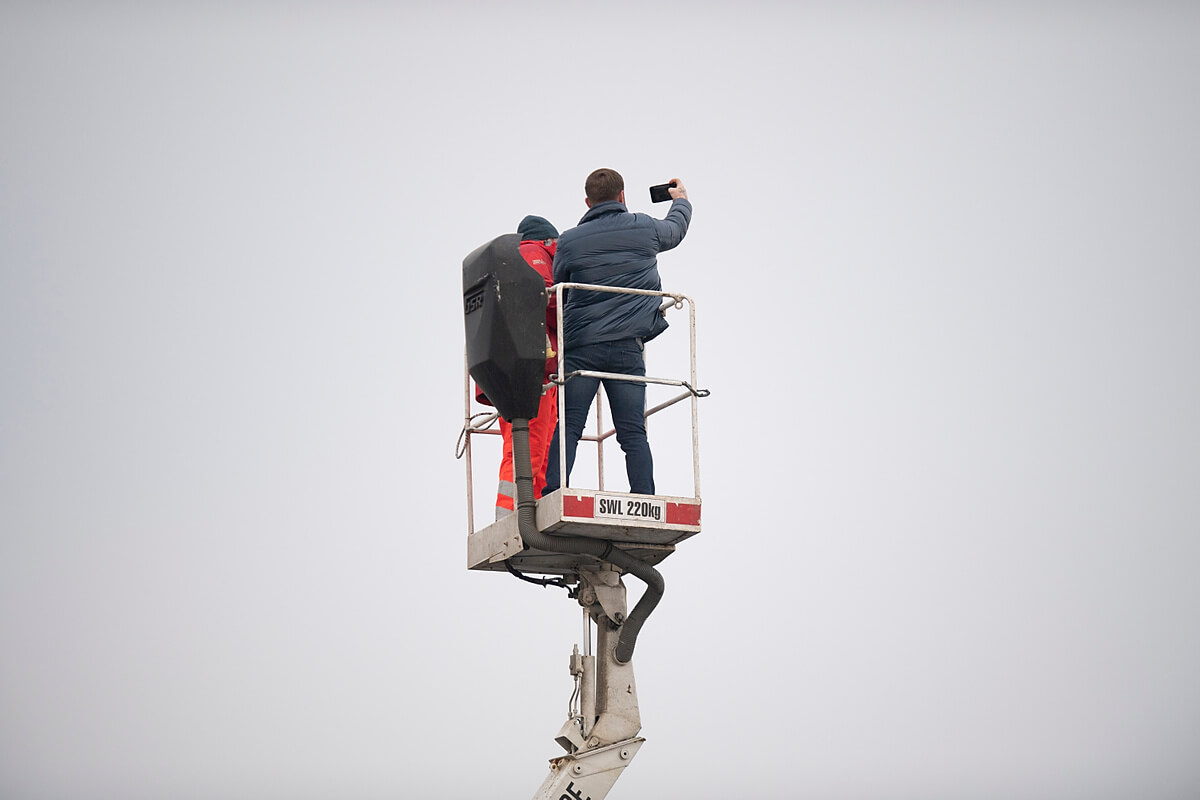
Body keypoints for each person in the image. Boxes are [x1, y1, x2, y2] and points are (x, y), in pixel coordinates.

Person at [542, 169, 691, 497]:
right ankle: (645, 499)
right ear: (622, 196)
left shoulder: (568, 241)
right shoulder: (644, 226)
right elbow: (676, 230)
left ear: (587, 201)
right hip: (627, 348)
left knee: (569, 426)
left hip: (583, 346)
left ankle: (554, 493)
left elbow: (560, 288)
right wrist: (680, 200)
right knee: (633, 434)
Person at [478, 215, 561, 519]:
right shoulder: (535, 255)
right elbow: (548, 301)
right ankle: (513, 515)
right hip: (532, 373)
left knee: (537, 447)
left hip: (523, 373)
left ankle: (529, 510)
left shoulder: (511, 262)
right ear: (548, 239)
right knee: (530, 448)